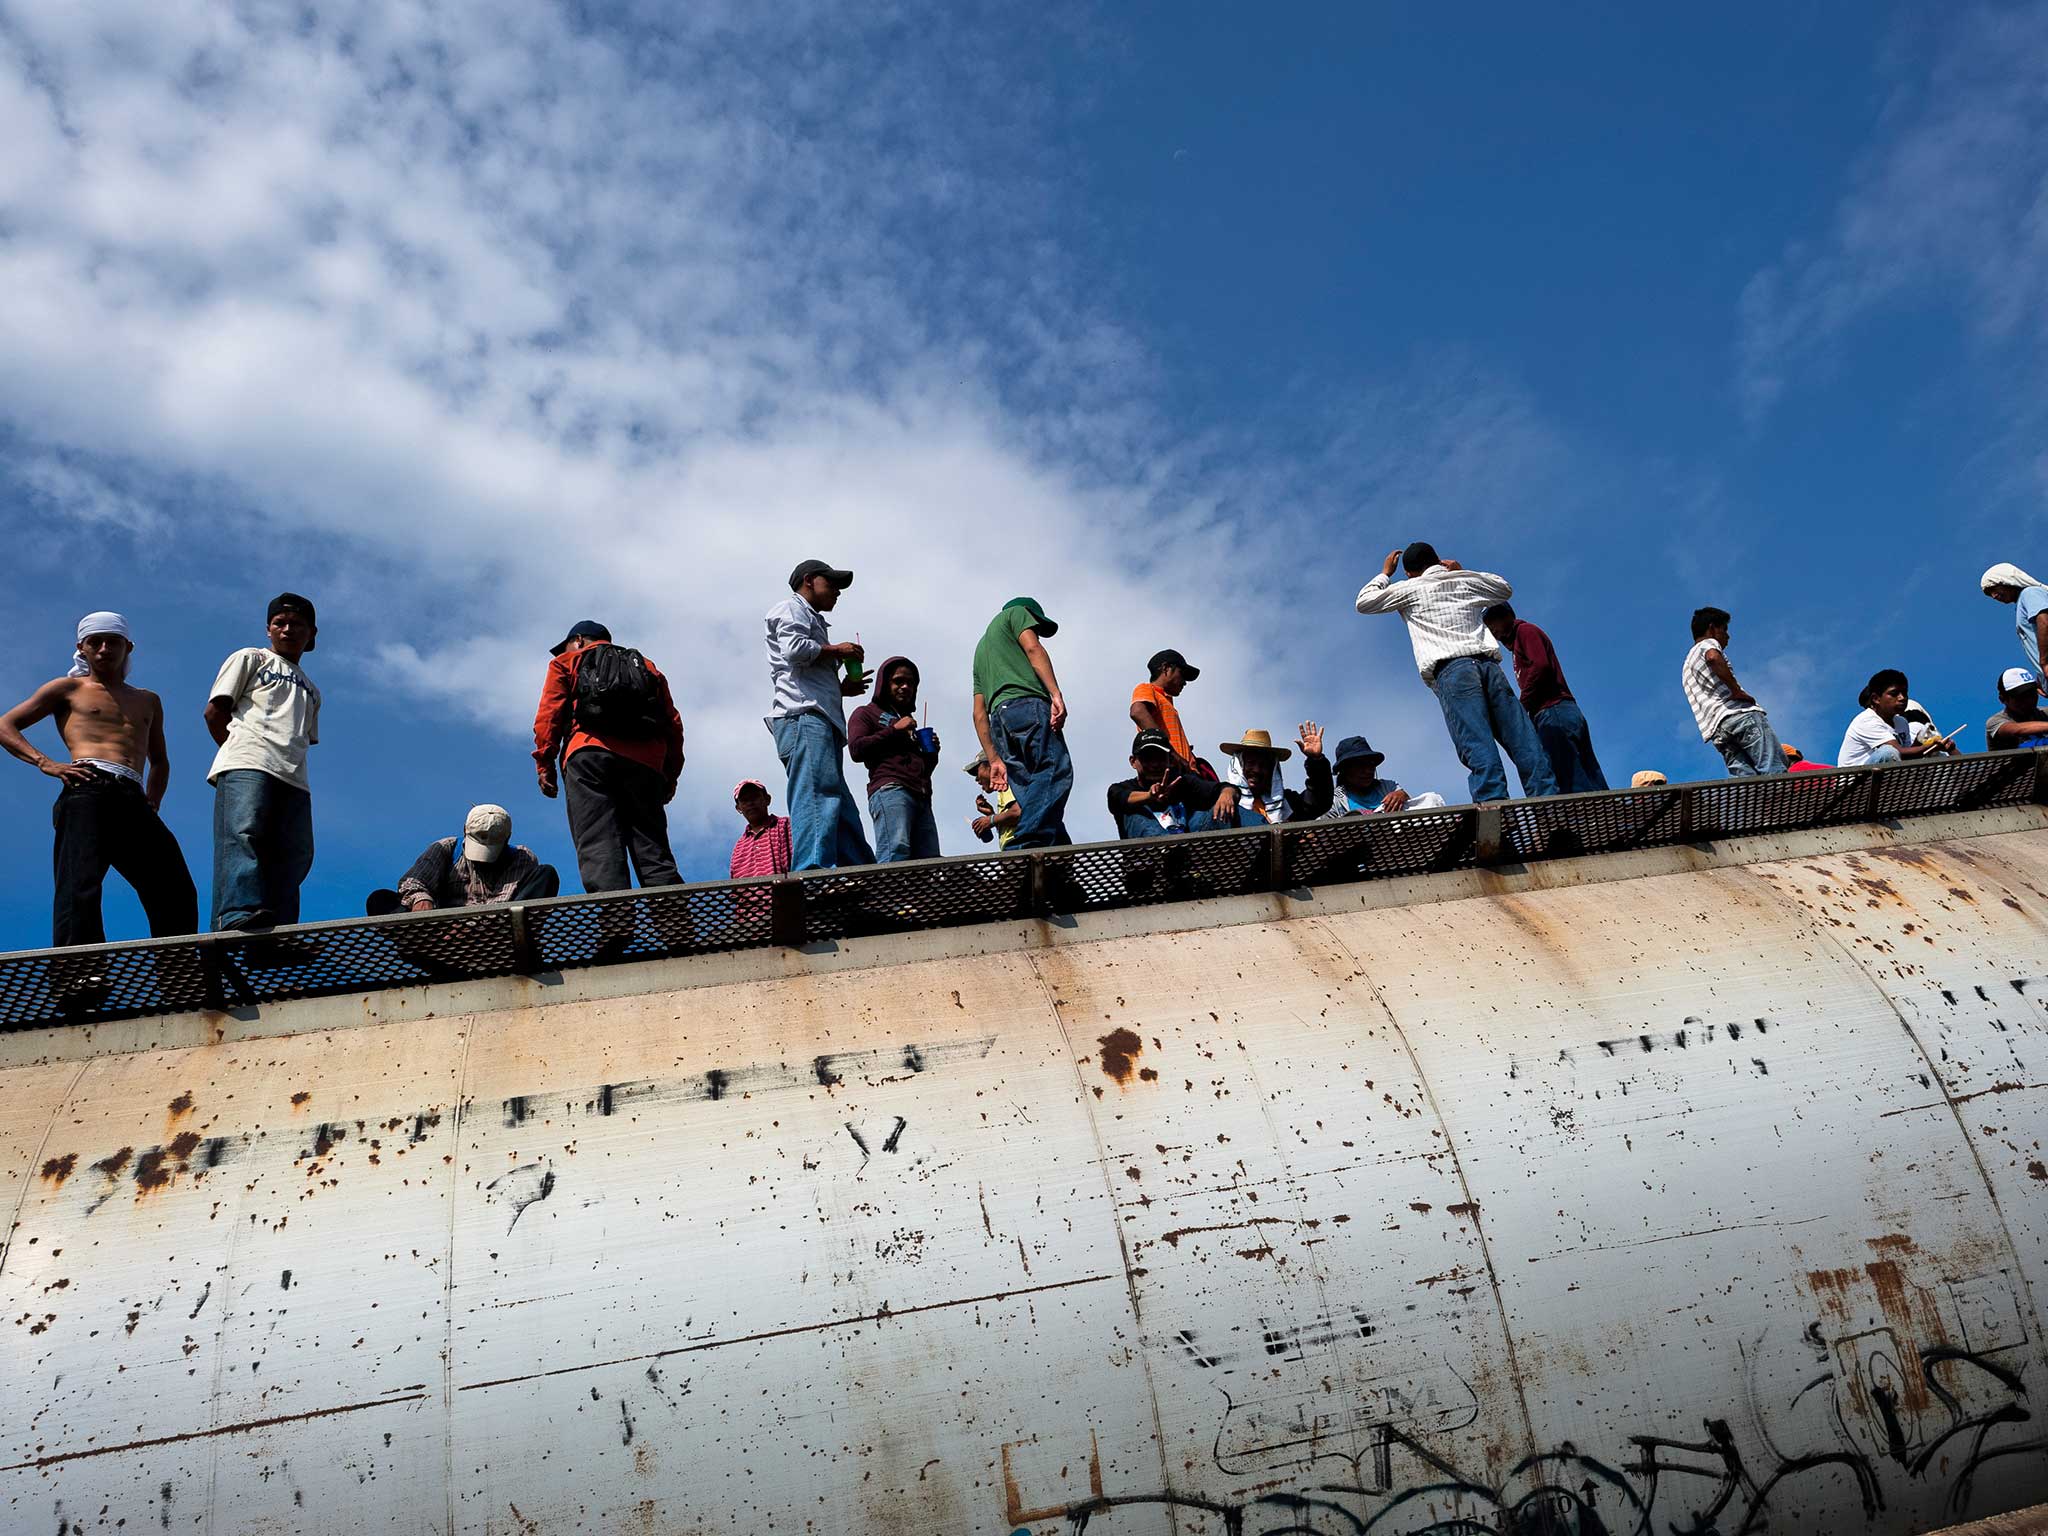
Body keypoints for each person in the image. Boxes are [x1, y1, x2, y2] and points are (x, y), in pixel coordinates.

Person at [0, 612, 197, 948]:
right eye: (96, 642)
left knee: (173, 884)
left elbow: (160, 761)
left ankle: (179, 971)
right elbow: (6, 725)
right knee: (80, 883)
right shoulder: (68, 689)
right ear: (82, 648)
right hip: (87, 786)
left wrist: (153, 800)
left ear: (128, 646)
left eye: (113, 642)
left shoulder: (148, 699)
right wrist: (46, 763)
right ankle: (80, 974)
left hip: (133, 794)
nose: (105, 648)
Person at [1356, 543, 1559, 803]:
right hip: (1489, 667)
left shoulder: (1409, 588)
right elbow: (1503, 588)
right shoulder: (1462, 581)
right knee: (1525, 743)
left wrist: (1385, 573)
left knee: (1479, 748)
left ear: (1409, 573)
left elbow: (1364, 602)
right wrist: (1462, 571)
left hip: (1453, 672)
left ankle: (1496, 817)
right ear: (1438, 561)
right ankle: (1551, 813)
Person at [533, 619, 686, 894]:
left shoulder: (567, 662)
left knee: (599, 844)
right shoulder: (646, 666)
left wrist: (545, 764)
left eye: (567, 646)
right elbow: (673, 724)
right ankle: (677, 928)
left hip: (589, 756)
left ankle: (616, 927)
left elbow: (549, 715)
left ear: (578, 640)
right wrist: (669, 776)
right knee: (653, 850)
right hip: (645, 766)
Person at [205, 593, 322, 931]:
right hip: (248, 762)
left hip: (294, 777)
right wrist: (240, 750)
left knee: (294, 854)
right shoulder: (251, 658)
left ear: (312, 633)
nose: (287, 629)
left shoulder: (313, 690)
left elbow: (303, 738)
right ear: (268, 629)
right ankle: (235, 914)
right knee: (243, 835)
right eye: (279, 623)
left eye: (297, 624)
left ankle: (278, 929)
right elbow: (215, 711)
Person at [764, 559, 875, 870]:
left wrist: (842, 688)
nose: (838, 591)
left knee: (838, 808)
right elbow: (794, 650)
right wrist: (837, 651)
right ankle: (812, 875)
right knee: (818, 797)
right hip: (803, 718)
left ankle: (864, 876)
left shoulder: (808, 617)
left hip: (817, 720)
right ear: (809, 580)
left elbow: (802, 672)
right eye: (832, 583)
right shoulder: (791, 608)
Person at [971, 596, 1071, 846]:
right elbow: (1033, 648)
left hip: (1000, 721)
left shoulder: (982, 649)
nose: (1035, 630)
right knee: (1055, 769)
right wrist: (1055, 694)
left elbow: (978, 713)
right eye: (1035, 626)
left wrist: (994, 758)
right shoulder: (1015, 613)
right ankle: (1026, 844)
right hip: (1027, 705)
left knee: (1028, 787)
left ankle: (1058, 853)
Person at [1482, 602, 1607, 793]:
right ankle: (1601, 815)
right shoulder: (1517, 646)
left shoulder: (1525, 631)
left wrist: (1521, 707)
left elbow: (1540, 667)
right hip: (1563, 712)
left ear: (1507, 616)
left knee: (1569, 776)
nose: (1493, 631)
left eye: (1493, 623)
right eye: (1489, 627)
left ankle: (1584, 819)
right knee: (1588, 773)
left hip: (1553, 711)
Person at [365, 805, 559, 915]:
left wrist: (470, 927)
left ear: (507, 839)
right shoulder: (446, 848)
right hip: (441, 932)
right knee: (380, 899)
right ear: (465, 830)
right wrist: (421, 899)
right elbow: (413, 881)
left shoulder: (521, 858)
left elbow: (501, 905)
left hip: (496, 933)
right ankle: (425, 945)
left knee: (546, 874)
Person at [847, 656, 941, 862]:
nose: (905, 687)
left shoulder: (909, 724)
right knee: (895, 851)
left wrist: (932, 754)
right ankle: (888, 896)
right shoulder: (865, 714)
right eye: (898, 681)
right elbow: (856, 749)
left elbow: (922, 770)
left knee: (930, 862)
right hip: (891, 790)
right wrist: (893, 730)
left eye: (911, 683)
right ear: (884, 683)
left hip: (922, 797)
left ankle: (915, 896)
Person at [1680, 608, 1786, 777]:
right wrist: (1736, 691)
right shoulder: (1708, 644)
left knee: (1747, 782)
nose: (1728, 636)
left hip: (1718, 731)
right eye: (1725, 630)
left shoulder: (1686, 666)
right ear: (1712, 628)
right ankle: (1782, 800)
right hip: (1739, 715)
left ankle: (1759, 803)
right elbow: (1713, 657)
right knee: (1773, 770)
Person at [1107, 730, 1259, 838]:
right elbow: (1118, 797)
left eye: (1160, 758)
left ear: (1170, 760)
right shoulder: (1121, 788)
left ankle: (1270, 836)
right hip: (1150, 867)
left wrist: (1227, 794)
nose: (1154, 764)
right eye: (1147, 758)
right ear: (1133, 762)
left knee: (1224, 809)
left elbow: (1219, 788)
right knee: (1134, 813)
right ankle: (1168, 849)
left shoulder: (1182, 781)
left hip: (1190, 856)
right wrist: (1149, 796)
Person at [1838, 669, 1958, 766]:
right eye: (1894, 694)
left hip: (1882, 778)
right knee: (1888, 752)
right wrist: (1928, 747)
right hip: (1853, 783)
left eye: (1904, 693)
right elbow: (1897, 752)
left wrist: (1920, 742)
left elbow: (1907, 758)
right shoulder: (1866, 720)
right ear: (1876, 699)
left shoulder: (1901, 722)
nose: (1902, 698)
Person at [1219, 725, 1333, 823]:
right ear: (1239, 766)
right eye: (1250, 763)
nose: (1256, 770)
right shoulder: (1224, 799)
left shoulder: (1286, 803)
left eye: (1263, 765)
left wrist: (1316, 760)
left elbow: (1318, 802)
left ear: (1272, 770)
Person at [1321, 735, 1449, 816]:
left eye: (1370, 765)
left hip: (1395, 835)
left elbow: (1409, 805)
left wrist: (1402, 795)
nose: (1368, 771)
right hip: (1361, 845)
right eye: (1360, 766)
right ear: (1345, 770)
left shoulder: (1388, 786)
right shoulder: (1335, 799)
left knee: (1431, 798)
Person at [1980, 563, 2048, 675]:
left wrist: (2044, 663)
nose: (1994, 596)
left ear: (2006, 581)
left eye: (1993, 589)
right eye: (1990, 594)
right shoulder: (2022, 602)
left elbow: (2044, 621)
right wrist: (2041, 676)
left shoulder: (2030, 593)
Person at [728, 778, 794, 880]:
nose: (750, 803)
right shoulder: (739, 847)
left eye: (754, 797)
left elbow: (798, 864)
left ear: (767, 799)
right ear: (739, 808)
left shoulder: (785, 825)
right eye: (745, 800)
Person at [965, 752, 1022, 849]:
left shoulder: (1008, 782)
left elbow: (1018, 813)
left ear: (991, 766)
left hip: (1020, 847)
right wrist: (991, 815)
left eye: (977, 771)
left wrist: (990, 820)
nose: (976, 779)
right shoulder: (1003, 790)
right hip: (1014, 848)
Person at [1986, 668, 2048, 752]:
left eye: (2032, 694)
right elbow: (2017, 729)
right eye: (2021, 697)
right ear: (2003, 699)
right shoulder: (1996, 721)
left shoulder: (2044, 713)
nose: (2029, 700)